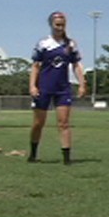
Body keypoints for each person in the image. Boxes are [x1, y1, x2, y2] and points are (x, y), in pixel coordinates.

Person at [28, 11, 87, 165]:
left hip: (62, 89)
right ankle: (33, 154)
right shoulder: (43, 44)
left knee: (64, 123)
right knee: (38, 123)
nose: (60, 28)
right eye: (57, 25)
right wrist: (33, 86)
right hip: (44, 88)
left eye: (62, 25)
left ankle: (66, 158)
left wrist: (82, 84)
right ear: (51, 25)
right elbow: (35, 66)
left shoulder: (70, 44)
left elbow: (76, 65)